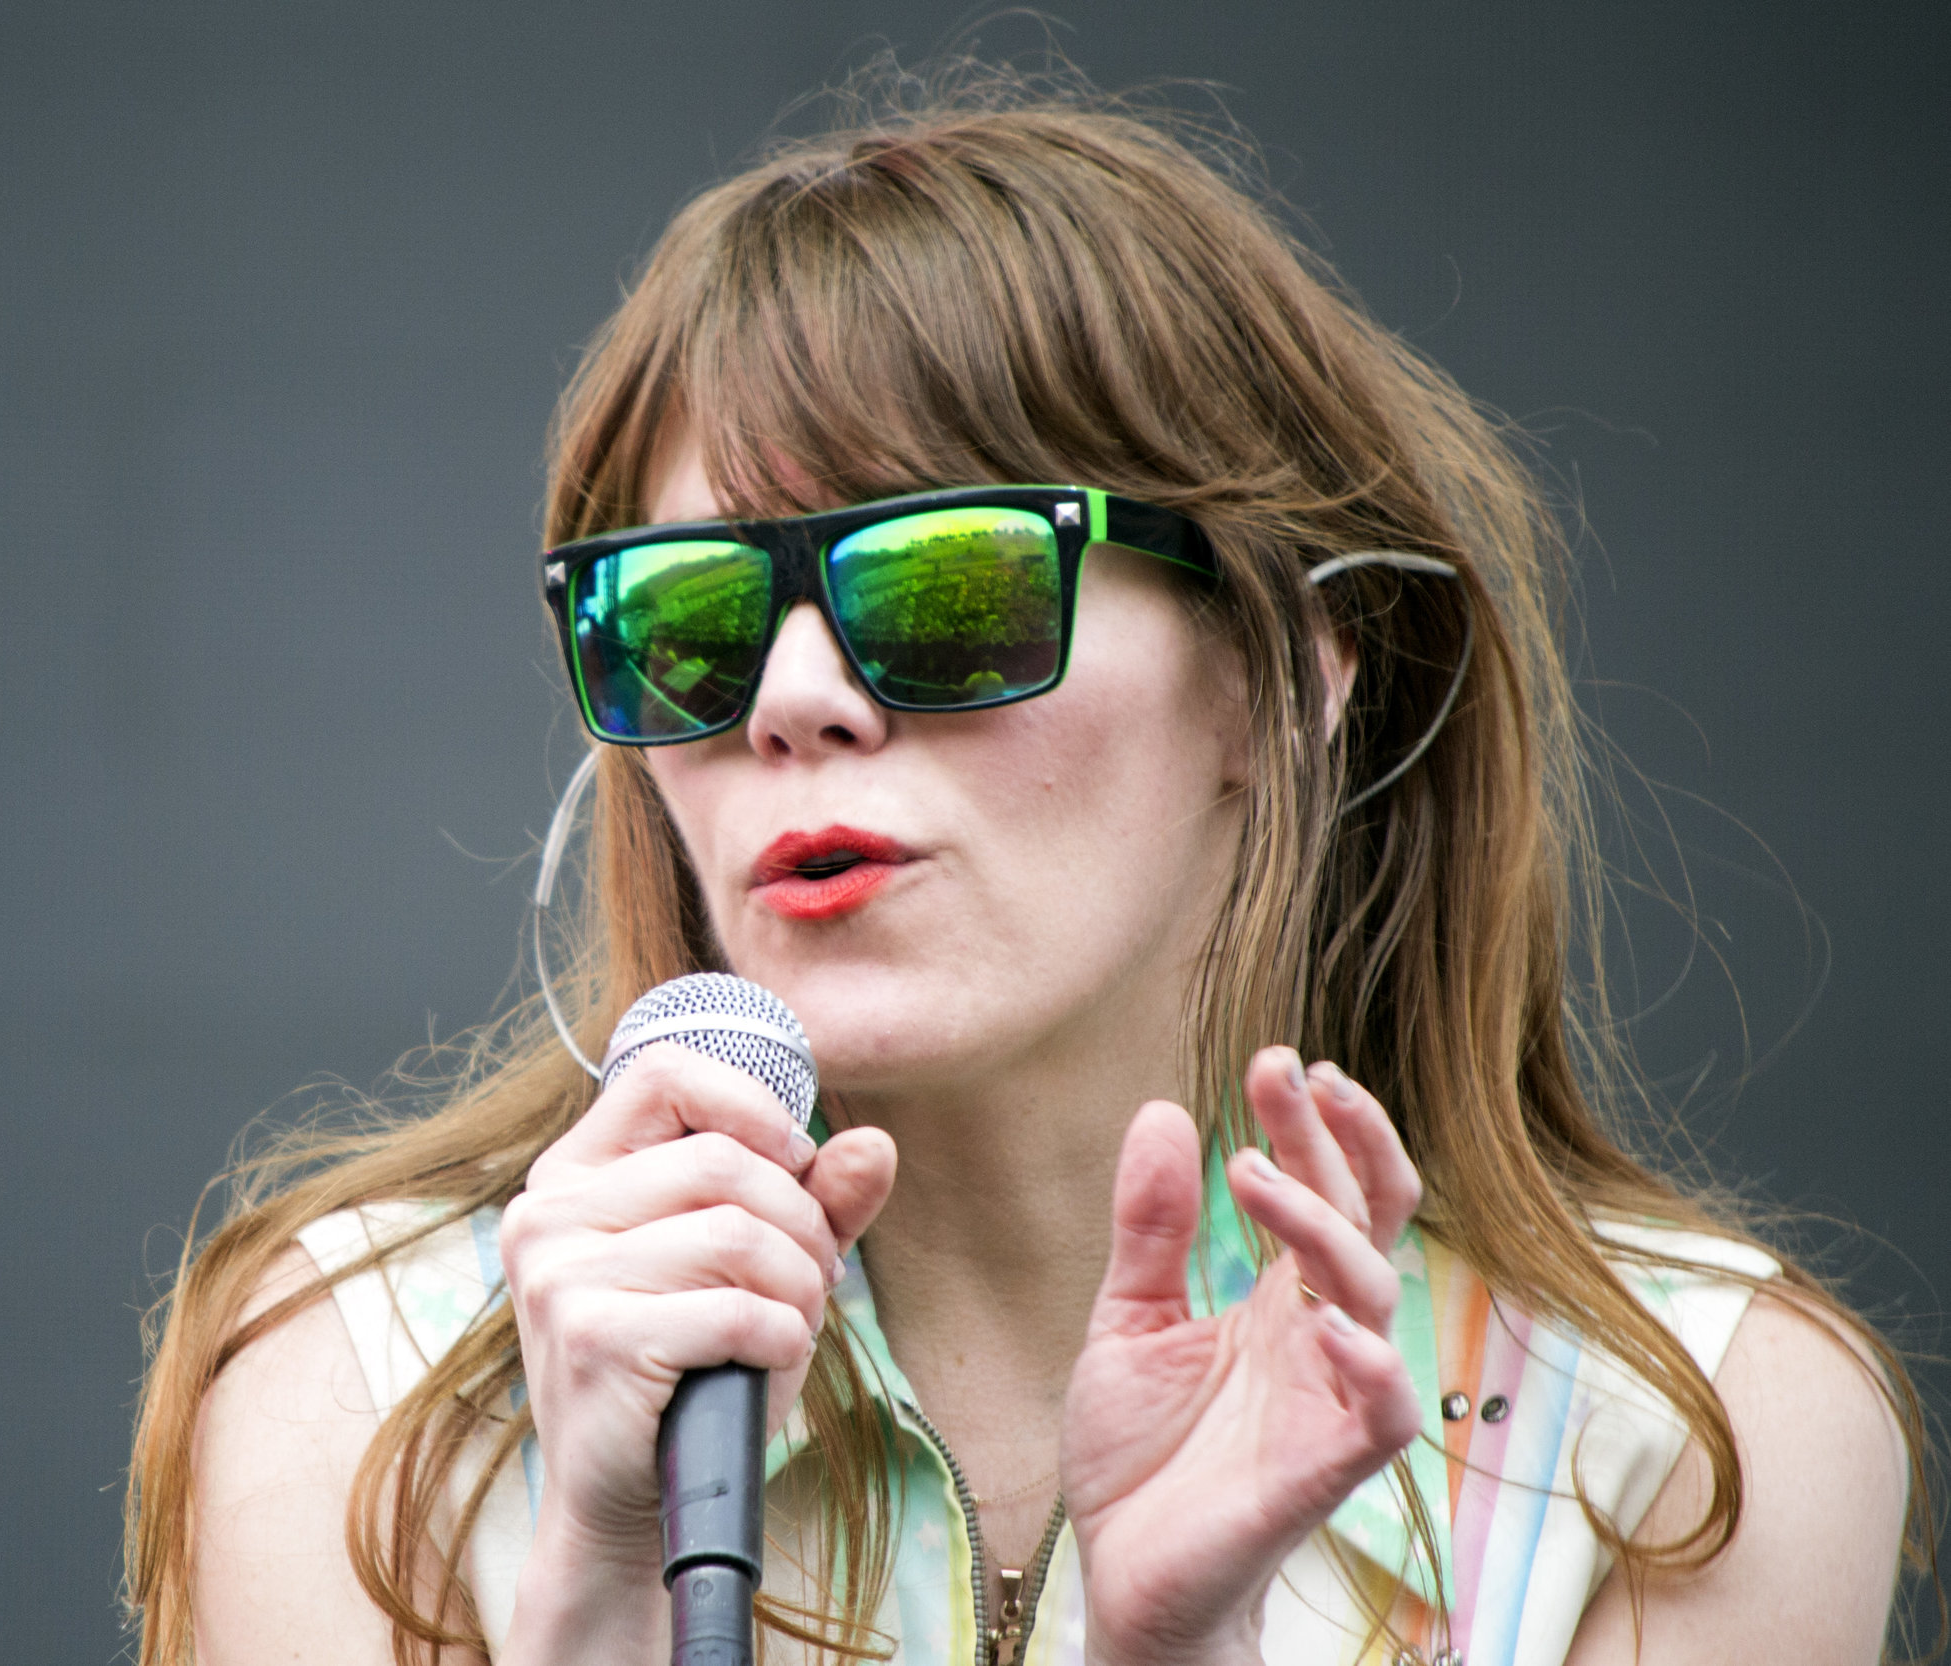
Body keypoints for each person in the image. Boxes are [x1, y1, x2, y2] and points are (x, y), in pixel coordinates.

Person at [124, 83, 1925, 1666]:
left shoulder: (1691, 1445)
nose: (797, 698)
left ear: (1287, 674)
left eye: (951, 591)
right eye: (688, 622)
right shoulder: (352, 1396)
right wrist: (593, 1598)